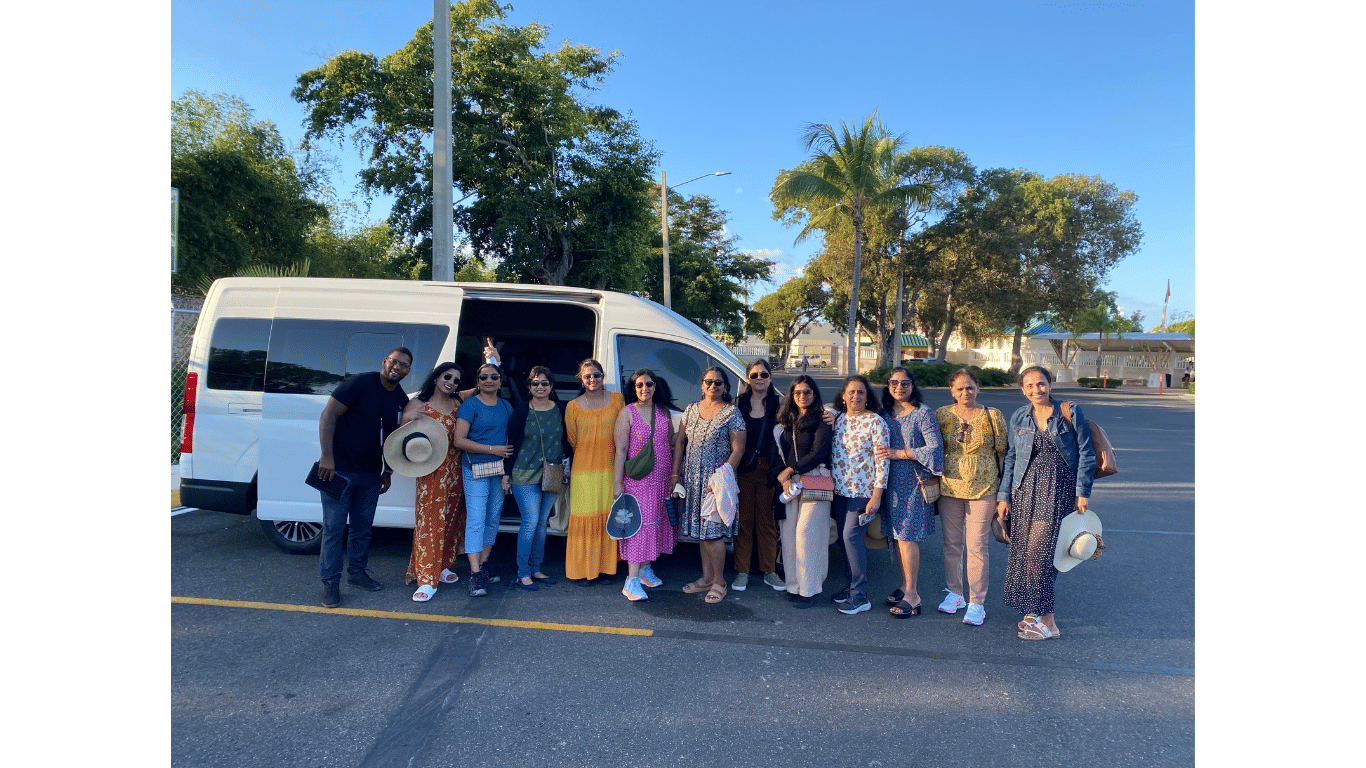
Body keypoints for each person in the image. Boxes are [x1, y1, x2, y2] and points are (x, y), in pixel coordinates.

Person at [997, 365, 1097, 640]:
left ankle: (1049, 622)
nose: (1036, 390)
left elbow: (1087, 452)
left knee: (1041, 554)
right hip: (1025, 490)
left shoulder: (1069, 412)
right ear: (1022, 389)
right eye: (1029, 386)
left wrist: (1082, 491)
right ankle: (1033, 611)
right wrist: (1004, 496)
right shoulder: (1019, 415)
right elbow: (1011, 458)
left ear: (1049, 384)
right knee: (1026, 554)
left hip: (1058, 490)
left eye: (1040, 384)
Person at [314, 347, 413, 608]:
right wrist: (327, 456)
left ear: (408, 371)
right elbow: (328, 416)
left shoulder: (400, 398)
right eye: (394, 361)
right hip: (337, 470)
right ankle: (330, 584)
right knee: (334, 529)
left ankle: (357, 574)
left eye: (403, 365)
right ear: (385, 361)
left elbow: (395, 439)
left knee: (362, 529)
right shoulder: (359, 383)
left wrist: (388, 471)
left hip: (370, 474)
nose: (397, 367)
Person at [933, 368, 1008, 625]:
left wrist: (1003, 492)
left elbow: (1001, 454)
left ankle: (977, 602)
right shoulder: (942, 415)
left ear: (978, 388)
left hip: (985, 487)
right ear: (952, 391)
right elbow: (934, 448)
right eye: (960, 388)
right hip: (950, 487)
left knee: (977, 546)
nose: (965, 393)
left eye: (970, 387)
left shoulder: (993, 415)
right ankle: (955, 593)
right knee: (952, 544)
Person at [400, 362, 476, 602]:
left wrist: (494, 361)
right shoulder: (418, 404)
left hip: (455, 470)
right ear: (436, 377)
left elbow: (483, 386)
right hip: (430, 471)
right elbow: (402, 434)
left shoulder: (458, 403)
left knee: (451, 521)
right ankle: (425, 580)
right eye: (447, 376)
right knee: (430, 524)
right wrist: (406, 418)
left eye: (456, 380)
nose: (451, 382)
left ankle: (441, 566)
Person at [673, 366, 746, 605]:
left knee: (713, 535)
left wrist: (722, 479)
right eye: (708, 381)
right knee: (702, 535)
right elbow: (680, 444)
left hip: (716, 482)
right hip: (692, 480)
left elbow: (738, 450)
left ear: (725, 387)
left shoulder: (731, 413)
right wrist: (676, 475)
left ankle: (719, 582)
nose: (713, 386)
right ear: (702, 384)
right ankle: (705, 578)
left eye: (718, 383)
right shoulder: (691, 410)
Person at [874, 367, 943, 618]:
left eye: (905, 383)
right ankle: (904, 586)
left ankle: (913, 595)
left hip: (913, 482)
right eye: (894, 383)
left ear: (913, 386)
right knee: (896, 535)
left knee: (907, 535)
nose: (899, 387)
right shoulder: (884, 412)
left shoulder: (923, 413)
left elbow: (935, 448)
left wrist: (899, 453)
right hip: (890, 482)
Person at [612, 369, 678, 601]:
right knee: (640, 526)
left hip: (661, 480)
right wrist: (617, 483)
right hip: (638, 482)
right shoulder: (627, 413)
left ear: (655, 386)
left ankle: (644, 569)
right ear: (634, 388)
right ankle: (630, 580)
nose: (644, 389)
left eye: (649, 384)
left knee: (656, 524)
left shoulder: (662, 412)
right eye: (639, 385)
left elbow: (670, 441)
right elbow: (620, 450)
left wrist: (688, 432)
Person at [769, 375, 833, 608]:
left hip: (815, 478)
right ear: (791, 396)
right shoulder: (784, 423)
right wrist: (782, 476)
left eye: (807, 392)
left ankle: (810, 589)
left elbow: (818, 452)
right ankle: (794, 586)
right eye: (797, 392)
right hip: (790, 483)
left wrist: (790, 469)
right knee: (788, 537)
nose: (802, 396)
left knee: (808, 535)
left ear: (814, 394)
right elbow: (775, 453)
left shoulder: (823, 421)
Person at [504, 366, 569, 592]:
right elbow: (510, 444)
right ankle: (523, 573)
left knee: (542, 524)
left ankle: (536, 568)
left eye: (544, 383)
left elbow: (567, 442)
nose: (539, 386)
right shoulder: (522, 411)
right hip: (524, 474)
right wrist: (506, 475)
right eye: (535, 383)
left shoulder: (560, 409)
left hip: (551, 473)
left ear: (551, 387)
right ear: (529, 387)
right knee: (530, 523)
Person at [828, 375, 889, 616]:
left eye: (860, 392)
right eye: (851, 392)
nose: (855, 396)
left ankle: (859, 595)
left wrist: (877, 496)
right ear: (843, 396)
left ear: (867, 396)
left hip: (862, 493)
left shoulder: (875, 422)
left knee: (851, 539)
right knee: (844, 541)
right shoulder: (839, 419)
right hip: (840, 491)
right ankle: (850, 586)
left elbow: (882, 461)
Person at [453, 363, 514, 597]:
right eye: (484, 376)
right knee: (476, 520)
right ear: (477, 380)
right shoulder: (470, 405)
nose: (489, 380)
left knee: (492, 519)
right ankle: (475, 572)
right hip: (474, 469)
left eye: (494, 376)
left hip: (498, 470)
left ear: (500, 380)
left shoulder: (506, 406)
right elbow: (459, 440)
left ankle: (485, 563)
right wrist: (492, 449)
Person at [564, 359, 623, 584]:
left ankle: (607, 569)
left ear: (603, 376)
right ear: (581, 378)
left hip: (610, 468)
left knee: (608, 518)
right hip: (583, 471)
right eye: (587, 376)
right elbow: (572, 440)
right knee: (585, 517)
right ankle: (584, 570)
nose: (592, 379)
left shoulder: (617, 400)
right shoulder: (573, 406)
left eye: (597, 375)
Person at [732, 359, 784, 592]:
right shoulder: (738, 404)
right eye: (754, 375)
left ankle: (769, 571)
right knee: (744, 521)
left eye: (764, 374)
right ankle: (742, 571)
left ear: (770, 378)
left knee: (766, 522)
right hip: (743, 469)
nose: (759, 378)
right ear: (747, 379)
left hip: (768, 469)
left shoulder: (780, 404)